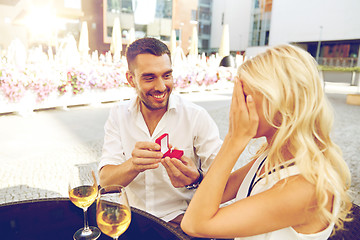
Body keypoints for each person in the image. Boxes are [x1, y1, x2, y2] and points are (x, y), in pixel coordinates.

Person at [181, 44, 352, 240]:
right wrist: (196, 178)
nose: (236, 107)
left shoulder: (305, 187)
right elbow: (223, 190)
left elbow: (194, 224)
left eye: (244, 97)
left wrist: (233, 140)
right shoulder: (273, 154)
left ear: (281, 101)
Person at [98, 37, 222, 227]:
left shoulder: (196, 116)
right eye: (149, 77)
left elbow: (223, 180)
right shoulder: (118, 115)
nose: (161, 87)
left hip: (181, 221)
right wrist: (134, 165)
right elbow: (106, 182)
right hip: (133, 220)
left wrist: (197, 178)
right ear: (131, 79)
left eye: (167, 75)